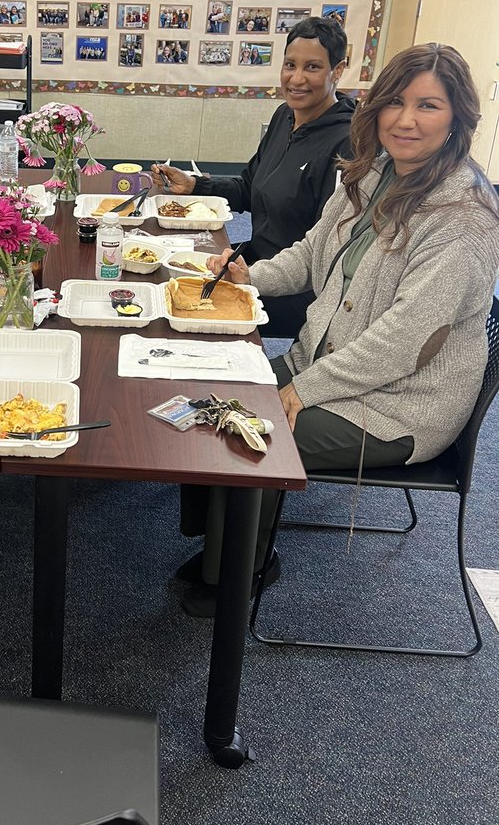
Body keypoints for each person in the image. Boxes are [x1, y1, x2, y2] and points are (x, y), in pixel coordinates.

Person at [178, 42, 499, 618]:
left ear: (458, 119)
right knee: (210, 394)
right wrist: (247, 277)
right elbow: (310, 254)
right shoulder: (373, 173)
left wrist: (301, 391)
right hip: (324, 362)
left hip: (397, 407)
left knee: (244, 432)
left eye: (428, 105)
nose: (405, 120)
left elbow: (402, 341)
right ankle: (221, 544)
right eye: (394, 102)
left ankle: (238, 571)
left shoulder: (464, 218)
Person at [153, 16, 355, 340]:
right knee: (164, 271)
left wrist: (252, 276)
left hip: (292, 292)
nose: (297, 78)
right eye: (290, 65)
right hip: (248, 261)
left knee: (179, 311)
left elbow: (326, 254)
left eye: (313, 67)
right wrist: (195, 185)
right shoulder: (284, 115)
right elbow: (249, 187)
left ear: (338, 70)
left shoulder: (347, 144)